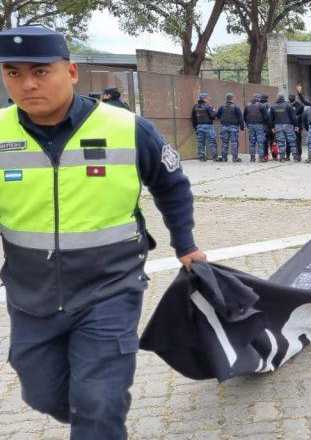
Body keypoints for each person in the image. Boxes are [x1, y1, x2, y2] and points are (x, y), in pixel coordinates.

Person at [0, 25, 206, 439]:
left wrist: (184, 243)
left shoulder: (127, 128)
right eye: (14, 73)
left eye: (40, 71)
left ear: (71, 72)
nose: (28, 84)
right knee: (43, 394)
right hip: (30, 295)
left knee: (98, 402)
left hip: (110, 290)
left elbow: (172, 185)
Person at [215, 92, 244, 162]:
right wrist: (242, 127)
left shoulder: (222, 107)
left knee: (224, 143)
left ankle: (224, 158)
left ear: (226, 98)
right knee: (234, 143)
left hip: (224, 127)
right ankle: (235, 158)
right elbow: (240, 118)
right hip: (234, 127)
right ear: (232, 98)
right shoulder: (236, 107)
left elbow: (217, 115)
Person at [270, 94, 298, 161]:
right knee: (292, 141)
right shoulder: (288, 105)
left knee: (281, 142)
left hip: (278, 126)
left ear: (277, 98)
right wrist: (296, 125)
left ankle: (282, 157)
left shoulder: (273, 106)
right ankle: (295, 157)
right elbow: (293, 117)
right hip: (288, 125)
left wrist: (272, 127)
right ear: (283, 98)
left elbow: (271, 118)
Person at [190, 91, 217, 161]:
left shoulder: (195, 107)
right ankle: (214, 157)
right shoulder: (208, 106)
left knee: (200, 143)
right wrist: (214, 111)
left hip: (199, 126)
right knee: (212, 141)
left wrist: (195, 127)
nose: (209, 99)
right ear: (205, 99)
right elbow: (213, 116)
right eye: (208, 98)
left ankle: (201, 157)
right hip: (208, 126)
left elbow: (193, 118)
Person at [244, 94, 270, 162]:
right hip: (259, 125)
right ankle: (261, 157)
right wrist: (264, 124)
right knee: (260, 142)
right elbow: (266, 117)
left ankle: (252, 158)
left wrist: (248, 124)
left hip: (250, 125)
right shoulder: (261, 106)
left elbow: (244, 116)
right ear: (259, 99)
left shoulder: (247, 105)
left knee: (252, 142)